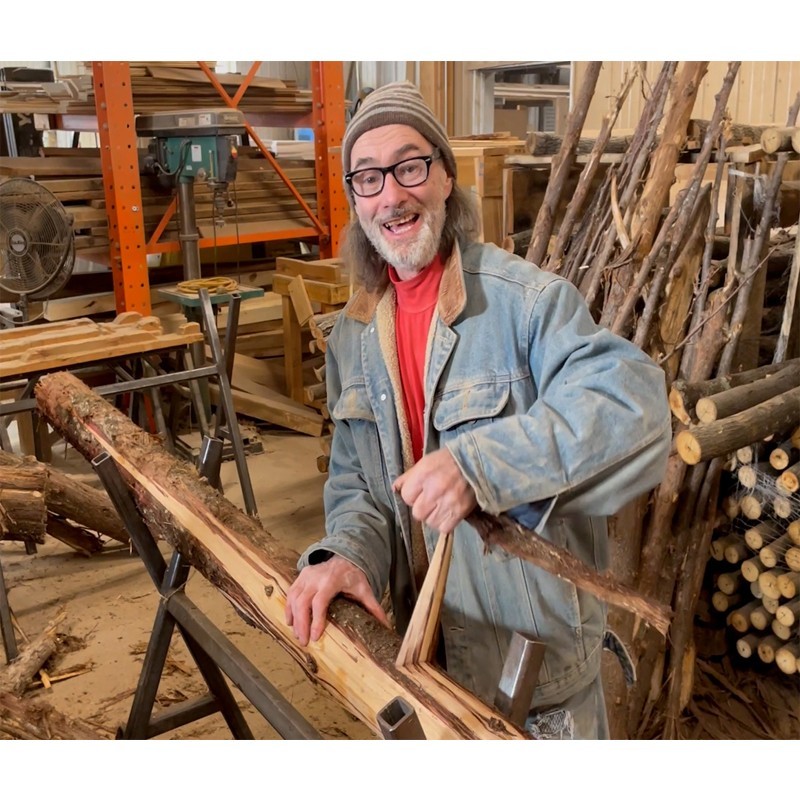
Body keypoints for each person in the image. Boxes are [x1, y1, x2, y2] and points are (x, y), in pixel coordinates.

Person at [284, 81, 672, 739]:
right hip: (424, 664)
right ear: (355, 200)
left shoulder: (528, 304)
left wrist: (479, 465)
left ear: (444, 178)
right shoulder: (352, 335)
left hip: (535, 673)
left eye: (410, 167)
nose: (393, 194)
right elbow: (360, 488)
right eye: (369, 178)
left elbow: (634, 406)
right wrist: (345, 553)